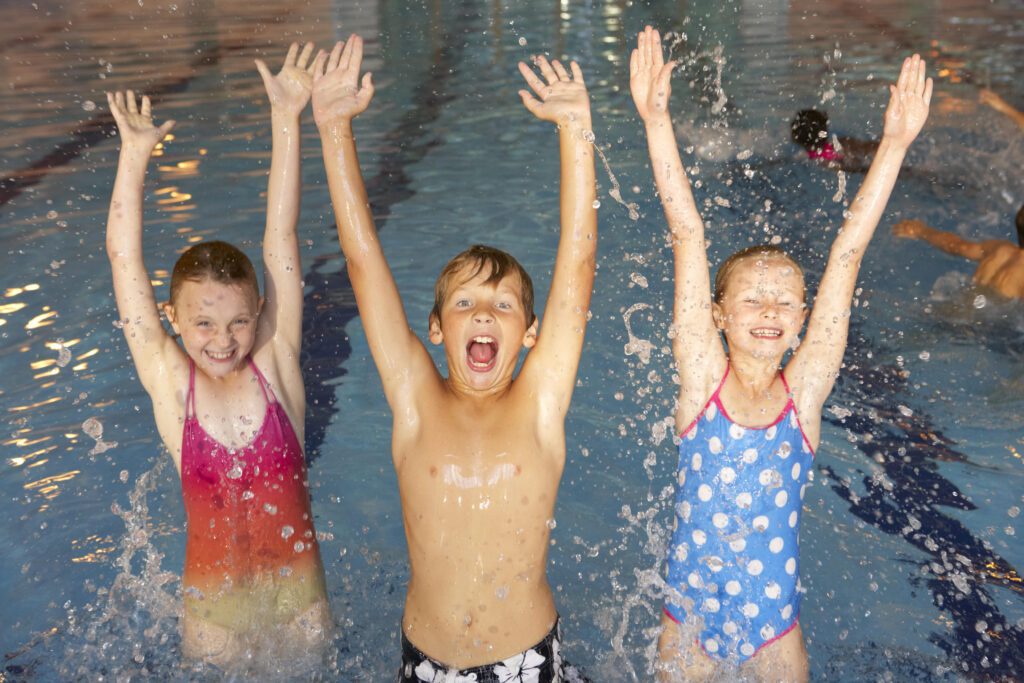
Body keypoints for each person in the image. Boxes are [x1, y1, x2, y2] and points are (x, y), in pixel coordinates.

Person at [630, 26, 931, 681]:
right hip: (691, 622)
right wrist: (656, 119)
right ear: (717, 317)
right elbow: (688, 231)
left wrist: (896, 145)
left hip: (775, 629)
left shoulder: (805, 395)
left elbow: (847, 250)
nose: (769, 310)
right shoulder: (702, 379)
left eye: (784, 300)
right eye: (752, 298)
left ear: (802, 321)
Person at [311, 34, 595, 681]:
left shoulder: (540, 401)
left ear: (530, 333)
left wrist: (576, 130)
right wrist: (333, 128)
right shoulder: (415, 398)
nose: (485, 314)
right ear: (435, 328)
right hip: (426, 665)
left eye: (502, 304)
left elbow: (577, 271)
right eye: (465, 303)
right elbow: (362, 264)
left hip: (529, 663)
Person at [104, 43, 330, 667]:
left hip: (300, 609)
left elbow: (280, 237)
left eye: (237, 321)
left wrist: (287, 119)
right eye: (202, 323)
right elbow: (124, 262)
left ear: (259, 313)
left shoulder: (276, 362)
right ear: (173, 320)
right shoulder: (171, 382)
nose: (223, 339)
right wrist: (134, 156)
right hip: (214, 621)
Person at [892, 208, 1024, 299]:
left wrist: (921, 231)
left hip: (955, 309)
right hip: (982, 329)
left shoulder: (1000, 249)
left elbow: (956, 246)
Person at [790, 107, 879, 172]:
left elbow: (853, 169)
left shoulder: (813, 158)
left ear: (795, 137)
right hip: (851, 153)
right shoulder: (842, 142)